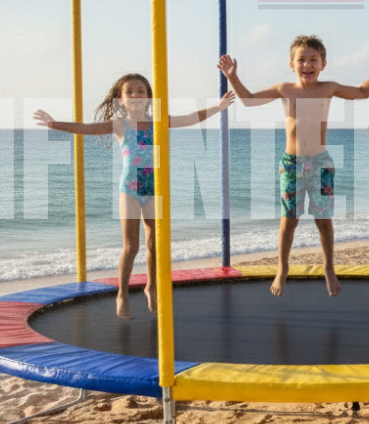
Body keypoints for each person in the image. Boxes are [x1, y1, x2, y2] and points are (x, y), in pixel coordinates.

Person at [33, 74, 234, 319]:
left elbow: (191, 118)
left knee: (154, 244)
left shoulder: (159, 120)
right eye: (130, 92)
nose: (136, 95)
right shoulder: (120, 125)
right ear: (121, 98)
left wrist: (218, 107)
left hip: (154, 189)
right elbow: (86, 129)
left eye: (141, 91)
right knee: (131, 246)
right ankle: (123, 294)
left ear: (148, 96)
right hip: (129, 189)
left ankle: (151, 285)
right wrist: (55, 124)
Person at [218, 36, 369, 297]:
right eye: (301, 59)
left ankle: (329, 268)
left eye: (313, 60)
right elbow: (249, 100)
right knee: (289, 220)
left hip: (322, 163)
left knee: (324, 221)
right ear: (291, 64)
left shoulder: (328, 87)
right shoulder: (285, 88)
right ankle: (282, 267)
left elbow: (363, 93)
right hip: (291, 164)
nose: (307, 64)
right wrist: (232, 76)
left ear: (323, 64)